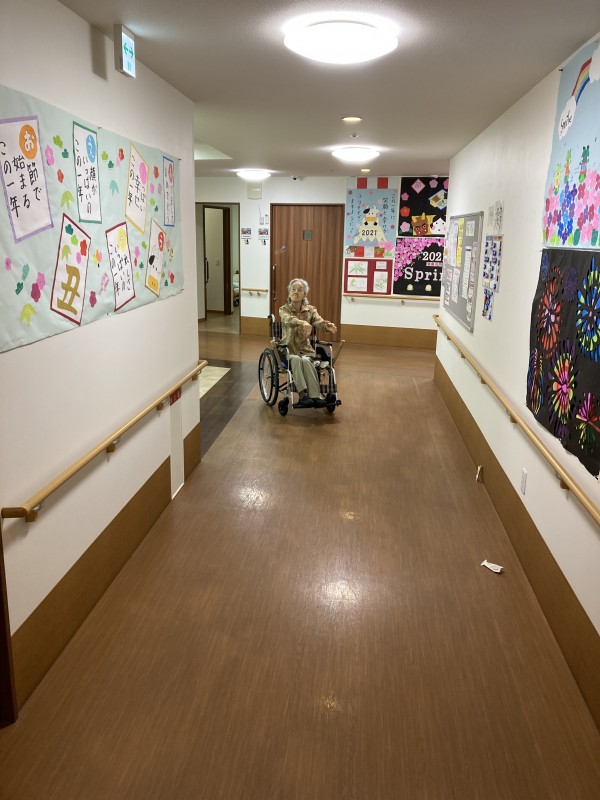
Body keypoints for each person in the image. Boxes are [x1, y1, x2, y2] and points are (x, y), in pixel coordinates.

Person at [279, 278, 337, 408]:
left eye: (300, 290)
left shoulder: (310, 310)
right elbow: (287, 319)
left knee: (305, 360)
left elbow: (318, 320)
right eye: (293, 289)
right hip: (288, 349)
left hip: (305, 349)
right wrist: (302, 322)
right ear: (289, 293)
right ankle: (302, 396)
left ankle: (315, 396)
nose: (296, 292)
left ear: (304, 294)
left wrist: (327, 325)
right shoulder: (284, 309)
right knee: (295, 359)